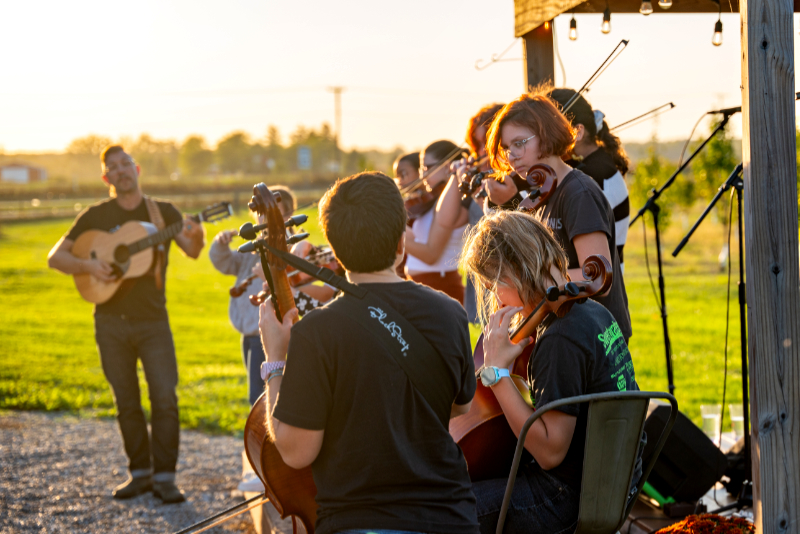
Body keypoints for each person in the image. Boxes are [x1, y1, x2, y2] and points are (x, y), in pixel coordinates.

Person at [258, 172, 480, 534]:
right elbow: (460, 406)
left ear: (335, 249)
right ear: (400, 244)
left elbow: (297, 452)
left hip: (358, 523)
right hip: (449, 518)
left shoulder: (316, 332)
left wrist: (276, 359)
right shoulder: (449, 311)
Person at [460, 210, 637, 533]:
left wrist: (497, 374)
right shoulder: (592, 312)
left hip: (564, 499)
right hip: (612, 484)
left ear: (511, 273)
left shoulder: (560, 338)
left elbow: (550, 453)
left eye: (491, 284)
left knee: (445, 511)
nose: (494, 297)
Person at [47, 145, 205, 503]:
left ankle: (165, 477)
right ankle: (140, 474)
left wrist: (196, 232)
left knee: (164, 397)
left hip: (153, 321)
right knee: (126, 401)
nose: (120, 171)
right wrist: (88, 266)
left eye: (125, 164)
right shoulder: (94, 216)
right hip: (109, 322)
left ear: (137, 169)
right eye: (112, 168)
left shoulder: (162, 213)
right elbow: (56, 257)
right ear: (106, 178)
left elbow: (192, 250)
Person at [486, 88, 632, 341]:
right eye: (507, 148)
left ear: (547, 135)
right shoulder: (541, 195)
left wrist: (528, 281)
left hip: (595, 339)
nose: (512, 156)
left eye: (520, 143)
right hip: (567, 333)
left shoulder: (579, 193)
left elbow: (596, 276)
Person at [549, 88, 631, 270]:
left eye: (549, 130)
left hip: (597, 293)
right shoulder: (596, 167)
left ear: (577, 131)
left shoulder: (592, 179)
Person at [404, 140, 469, 303]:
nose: (422, 175)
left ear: (448, 167)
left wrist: (392, 236)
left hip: (440, 286)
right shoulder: (433, 201)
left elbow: (430, 254)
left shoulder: (453, 205)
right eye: (421, 168)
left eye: (427, 168)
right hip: (423, 284)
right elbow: (417, 239)